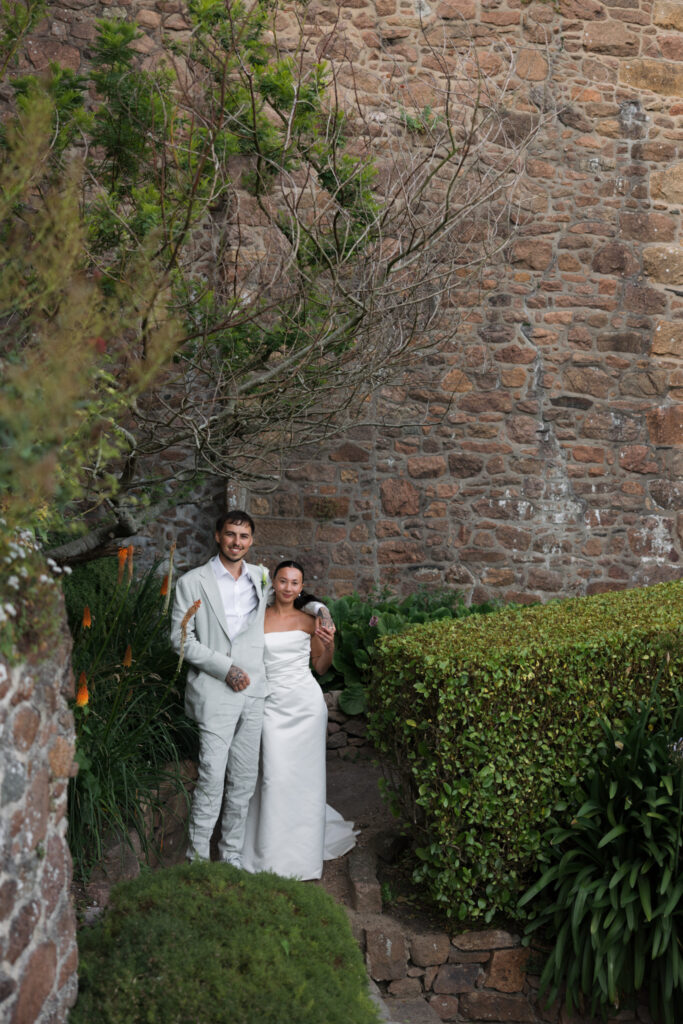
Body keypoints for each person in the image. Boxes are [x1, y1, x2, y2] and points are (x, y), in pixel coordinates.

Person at [170, 511, 331, 866]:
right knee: (212, 779)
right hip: (215, 693)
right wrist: (226, 669)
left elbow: (295, 597)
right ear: (217, 535)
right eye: (230, 534)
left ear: (251, 541)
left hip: (255, 696)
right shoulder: (191, 583)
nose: (236, 542)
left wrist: (323, 610)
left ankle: (231, 859)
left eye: (243, 536)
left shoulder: (259, 577)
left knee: (243, 784)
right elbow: (180, 640)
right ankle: (197, 861)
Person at [241, 560, 357, 880]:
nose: (288, 588)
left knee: (303, 782)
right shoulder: (256, 620)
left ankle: (300, 854)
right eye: (283, 581)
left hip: (305, 706)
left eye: (295, 583)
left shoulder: (309, 622)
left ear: (300, 587)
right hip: (270, 705)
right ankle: (268, 849)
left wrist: (329, 645)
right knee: (272, 777)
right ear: (273, 584)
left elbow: (320, 667)